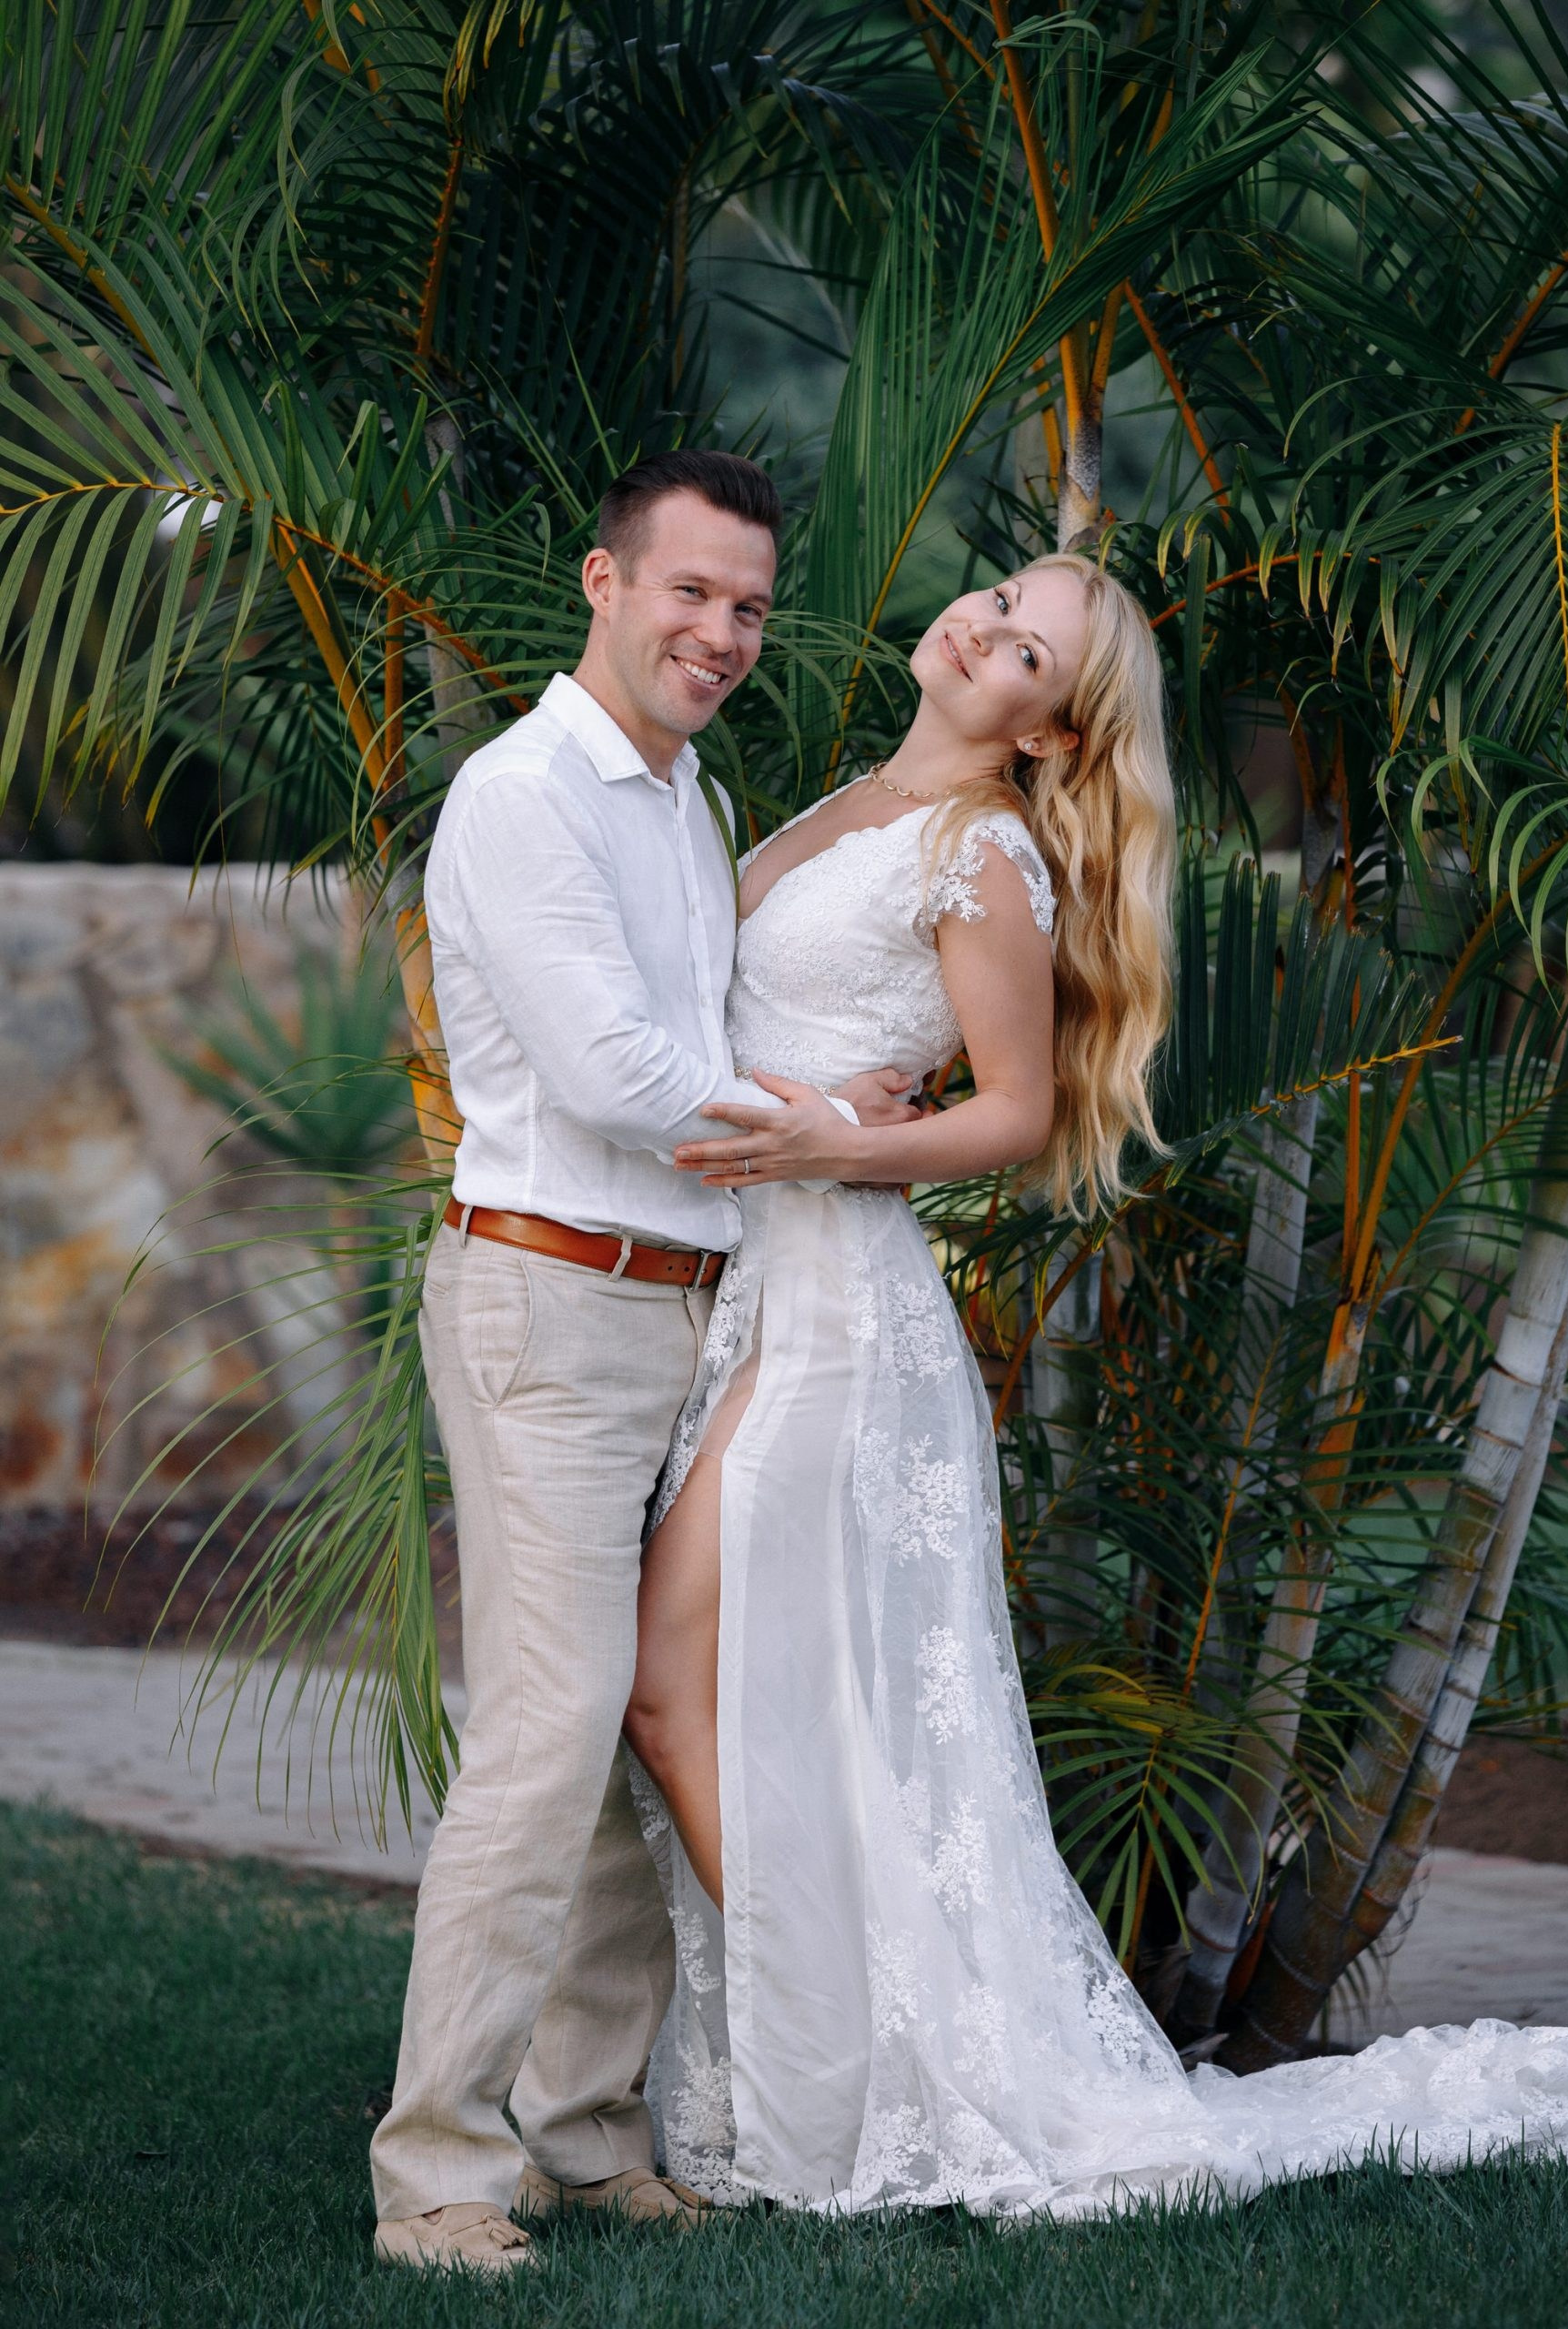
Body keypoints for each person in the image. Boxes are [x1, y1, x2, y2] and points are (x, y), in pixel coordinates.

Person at [623, 550, 1568, 2213]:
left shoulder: (983, 854)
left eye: (1026, 651)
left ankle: (878, 2054)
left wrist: (841, 1139)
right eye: (996, 604)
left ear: (1057, 737)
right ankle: (855, 2043)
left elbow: (1017, 1115)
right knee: (758, 1701)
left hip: (842, 1316)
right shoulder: (835, 800)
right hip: (757, 1289)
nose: (982, 633)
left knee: (668, 1687)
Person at [369, 449, 916, 2274]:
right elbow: (612, 1073)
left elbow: (688, 1034)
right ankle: (435, 2171)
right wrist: (836, 1118)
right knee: (545, 1730)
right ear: (603, 582)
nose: (721, 631)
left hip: (680, 1301)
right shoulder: (523, 795)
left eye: (749, 605)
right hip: (549, 1301)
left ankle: (582, 2135)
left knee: (608, 1732)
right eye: (690, 591)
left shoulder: (689, 796)